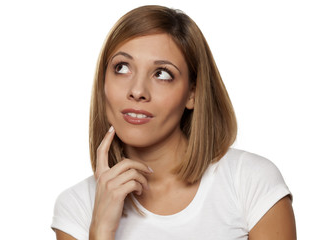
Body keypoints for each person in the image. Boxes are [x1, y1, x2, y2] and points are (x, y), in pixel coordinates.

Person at [51, 5, 296, 240]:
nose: (137, 91)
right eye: (122, 67)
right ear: (103, 82)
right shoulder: (78, 207)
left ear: (192, 93)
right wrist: (101, 231)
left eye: (162, 74)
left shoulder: (250, 180)